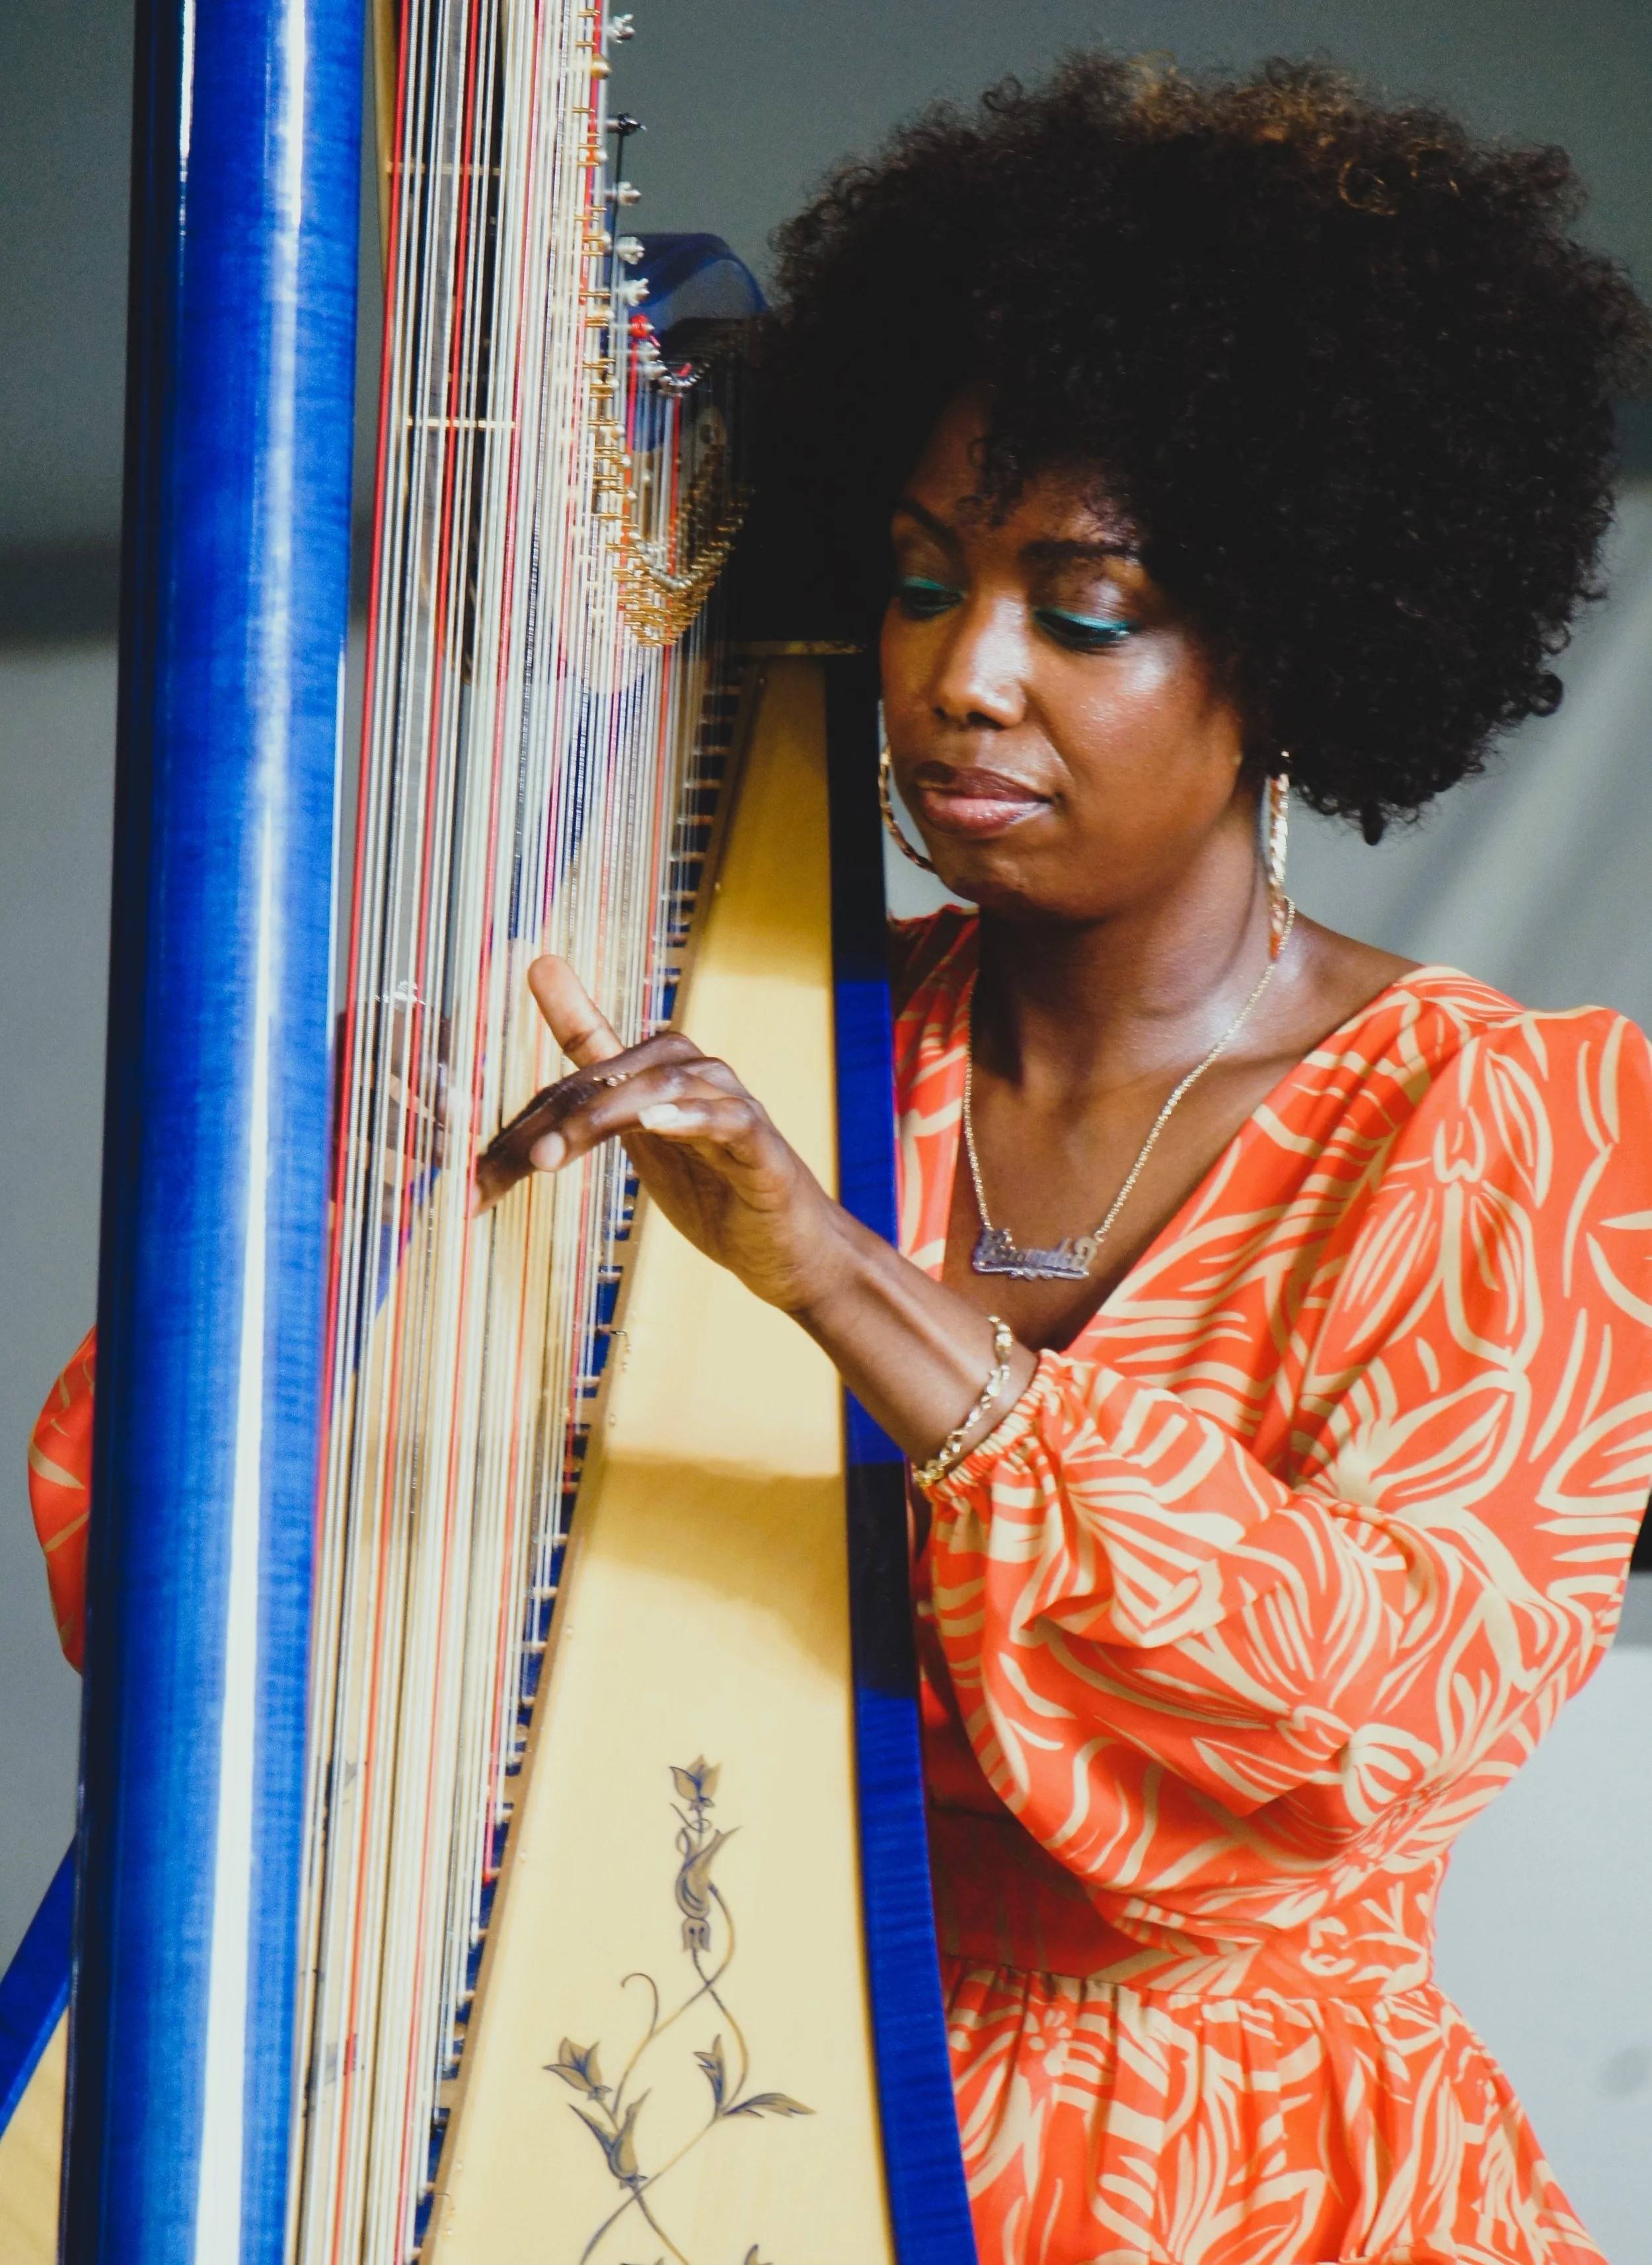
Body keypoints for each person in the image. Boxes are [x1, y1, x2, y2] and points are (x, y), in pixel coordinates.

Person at [32, 51, 1652, 2265]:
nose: (962, 678)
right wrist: (326, 1225)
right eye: (914, 584)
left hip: (1233, 2177)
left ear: (1300, 639)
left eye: (1081, 611)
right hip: (714, 2100)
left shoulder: (1508, 1120)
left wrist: (834, 1276)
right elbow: (165, 1593)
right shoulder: (748, 1036)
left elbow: (1370, 1717)